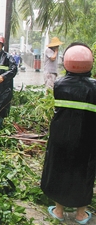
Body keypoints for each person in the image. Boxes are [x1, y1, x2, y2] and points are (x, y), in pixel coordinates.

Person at [41, 43, 96, 224]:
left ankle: (59, 211)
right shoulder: (94, 88)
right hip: (87, 140)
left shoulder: (59, 84)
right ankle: (81, 214)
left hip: (61, 138)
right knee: (84, 172)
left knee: (60, 169)